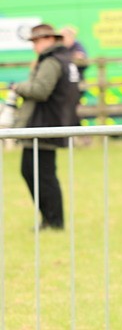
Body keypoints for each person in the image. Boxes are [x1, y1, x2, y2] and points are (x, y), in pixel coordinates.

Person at [11, 23, 80, 230]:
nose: (34, 46)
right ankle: (51, 220)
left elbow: (41, 90)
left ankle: (53, 221)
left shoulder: (51, 61)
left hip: (44, 124)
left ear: (50, 39)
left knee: (42, 175)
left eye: (37, 41)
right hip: (54, 122)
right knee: (39, 173)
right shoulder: (64, 59)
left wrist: (18, 87)